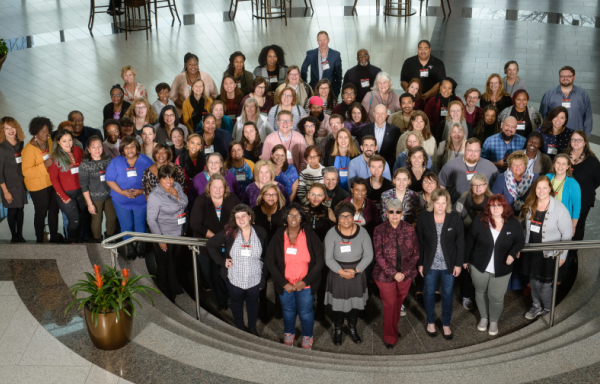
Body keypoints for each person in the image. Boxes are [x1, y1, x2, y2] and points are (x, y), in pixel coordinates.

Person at [465, 194, 525, 335]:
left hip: (502, 268)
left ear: (504, 207)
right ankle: (484, 318)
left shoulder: (513, 223)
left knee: (496, 297)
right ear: (488, 207)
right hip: (478, 266)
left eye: (499, 205)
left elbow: (520, 241)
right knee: (480, 292)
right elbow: (469, 241)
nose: (496, 208)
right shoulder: (480, 221)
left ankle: (493, 321)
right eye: (493, 205)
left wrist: (513, 253)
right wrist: (464, 260)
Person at [266, 203, 324, 349]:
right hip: (286, 285)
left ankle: (307, 337)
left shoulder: (310, 235)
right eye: (290, 215)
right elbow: (270, 261)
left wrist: (305, 281)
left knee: (305, 312)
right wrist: (283, 283)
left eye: (297, 215)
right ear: (286, 218)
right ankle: (289, 334)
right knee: (288, 311)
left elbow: (320, 260)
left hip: (305, 284)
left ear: (301, 218)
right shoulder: (279, 235)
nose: (293, 218)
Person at [209, 204, 268, 335]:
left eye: (243, 216)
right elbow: (211, 244)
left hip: (255, 277)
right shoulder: (230, 232)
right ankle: (240, 328)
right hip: (235, 277)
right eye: (237, 217)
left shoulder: (260, 232)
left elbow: (267, 257)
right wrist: (221, 261)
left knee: (253, 303)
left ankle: (252, 328)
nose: (241, 219)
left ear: (250, 217)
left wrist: (263, 278)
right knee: (236, 302)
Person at [520, 176, 573, 319]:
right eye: (538, 187)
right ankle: (536, 306)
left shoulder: (560, 209)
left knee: (544, 286)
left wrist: (562, 256)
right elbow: (527, 230)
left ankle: (548, 309)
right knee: (533, 282)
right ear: (534, 189)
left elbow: (567, 234)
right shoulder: (531, 205)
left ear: (550, 188)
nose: (541, 191)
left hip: (549, 255)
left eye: (544, 187)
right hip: (532, 253)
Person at [416, 188, 463, 339]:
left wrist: (458, 264)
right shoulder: (424, 217)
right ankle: (430, 322)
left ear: (447, 203)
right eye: (438, 203)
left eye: (444, 203)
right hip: (430, 264)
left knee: (448, 294)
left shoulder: (454, 217)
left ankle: (446, 324)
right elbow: (420, 242)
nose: (441, 206)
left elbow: (460, 242)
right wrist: (421, 263)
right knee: (429, 293)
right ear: (432, 203)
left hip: (449, 265)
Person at [324, 201, 373, 345]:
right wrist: (342, 272)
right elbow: (328, 258)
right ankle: (338, 329)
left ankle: (352, 328)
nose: (346, 219)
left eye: (349, 216)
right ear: (337, 218)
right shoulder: (331, 233)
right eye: (342, 216)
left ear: (353, 217)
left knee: (354, 305)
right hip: (337, 273)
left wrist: (356, 271)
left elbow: (369, 255)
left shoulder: (362, 232)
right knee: (338, 306)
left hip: (356, 273)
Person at [372, 198, 419, 348]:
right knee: (390, 304)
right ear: (386, 213)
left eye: (397, 212)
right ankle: (389, 337)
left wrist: (403, 273)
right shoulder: (379, 230)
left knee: (398, 304)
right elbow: (378, 255)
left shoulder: (410, 229)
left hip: (405, 275)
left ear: (402, 213)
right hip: (384, 275)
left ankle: (393, 328)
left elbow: (416, 253)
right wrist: (394, 273)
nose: (394, 215)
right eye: (391, 212)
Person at [191, 174, 241, 311]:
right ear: (209, 187)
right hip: (207, 247)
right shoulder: (201, 201)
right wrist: (216, 239)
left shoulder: (233, 199)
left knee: (226, 274)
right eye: (215, 187)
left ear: (225, 188)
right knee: (210, 275)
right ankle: (219, 299)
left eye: (221, 187)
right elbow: (195, 224)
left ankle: (225, 299)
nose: (218, 190)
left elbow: (240, 219)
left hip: (229, 245)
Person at [105, 136, 153, 257]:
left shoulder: (146, 161)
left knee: (140, 224)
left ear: (137, 147)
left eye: (132, 146)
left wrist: (141, 191)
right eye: (126, 147)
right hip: (121, 200)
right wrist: (122, 192)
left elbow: (153, 181)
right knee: (126, 224)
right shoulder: (116, 161)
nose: (129, 149)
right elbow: (109, 180)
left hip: (141, 199)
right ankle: (129, 246)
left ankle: (140, 245)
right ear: (122, 149)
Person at [147, 164, 188, 302]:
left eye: (171, 177)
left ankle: (174, 286)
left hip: (178, 233)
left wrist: (177, 197)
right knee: (164, 264)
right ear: (159, 179)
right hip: (164, 234)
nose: (169, 181)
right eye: (165, 178)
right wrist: (161, 241)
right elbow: (151, 220)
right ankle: (165, 292)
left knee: (174, 262)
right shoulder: (155, 196)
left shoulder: (176, 186)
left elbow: (183, 202)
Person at [565, 131, 600, 284]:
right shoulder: (563, 157)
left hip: (583, 200)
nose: (576, 142)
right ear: (570, 141)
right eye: (574, 139)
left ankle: (571, 255)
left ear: (585, 142)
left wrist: (584, 190)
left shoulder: (592, 161)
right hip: (563, 199)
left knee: (577, 226)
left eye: (580, 140)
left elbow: (597, 180)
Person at [22, 117, 60, 243]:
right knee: (41, 212)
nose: (46, 133)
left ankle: (54, 237)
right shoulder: (28, 150)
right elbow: (25, 172)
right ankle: (39, 239)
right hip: (38, 187)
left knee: (54, 210)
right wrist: (43, 166)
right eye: (42, 130)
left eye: (47, 130)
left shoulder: (48, 140)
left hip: (51, 182)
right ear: (35, 132)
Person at [48, 130, 85, 243]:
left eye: (69, 140)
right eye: (64, 141)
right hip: (65, 194)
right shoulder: (55, 156)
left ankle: (79, 240)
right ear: (58, 142)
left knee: (81, 218)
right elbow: (54, 179)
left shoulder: (78, 150)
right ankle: (72, 241)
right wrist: (63, 197)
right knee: (74, 220)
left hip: (80, 192)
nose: (68, 143)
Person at [79, 135, 116, 243]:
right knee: (97, 220)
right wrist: (90, 204)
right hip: (94, 197)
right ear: (89, 149)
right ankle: (97, 240)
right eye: (93, 147)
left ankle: (110, 239)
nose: (97, 149)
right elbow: (84, 185)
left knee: (112, 218)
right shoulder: (85, 164)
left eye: (99, 146)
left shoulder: (108, 157)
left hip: (109, 195)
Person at [438, 138, 499, 202]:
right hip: (456, 207)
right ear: (464, 150)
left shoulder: (491, 167)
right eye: (470, 150)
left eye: (476, 151)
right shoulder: (450, 166)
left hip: (483, 208)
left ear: (480, 151)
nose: (473, 154)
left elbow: (497, 189)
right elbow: (441, 186)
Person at [539, 66, 592, 136]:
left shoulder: (582, 94)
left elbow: (588, 117)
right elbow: (542, 115)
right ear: (559, 77)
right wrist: (544, 133)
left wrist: (586, 136)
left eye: (569, 76)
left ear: (574, 77)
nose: (565, 78)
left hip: (576, 136)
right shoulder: (549, 94)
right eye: (562, 76)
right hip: (554, 136)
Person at [0, 117, 27, 243]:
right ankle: (13, 237)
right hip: (8, 186)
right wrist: (5, 192)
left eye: (12, 127)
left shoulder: (20, 144)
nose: (10, 130)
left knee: (20, 210)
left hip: (21, 185)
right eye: (7, 128)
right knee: (12, 211)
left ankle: (20, 235)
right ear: (2, 130)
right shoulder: (2, 148)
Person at [170, 52, 219, 117]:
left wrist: (206, 104)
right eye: (190, 64)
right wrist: (186, 107)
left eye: (195, 64)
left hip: (205, 114)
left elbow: (215, 94)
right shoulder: (179, 78)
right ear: (186, 65)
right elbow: (173, 97)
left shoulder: (206, 76)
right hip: (184, 114)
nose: (193, 67)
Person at [491, 151, 538, 216]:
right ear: (510, 166)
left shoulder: (535, 178)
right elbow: (494, 199)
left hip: (528, 215)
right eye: (514, 164)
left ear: (525, 165)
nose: (518, 167)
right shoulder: (501, 178)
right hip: (505, 216)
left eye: (521, 164)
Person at [301, 31, 343, 97]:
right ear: (317, 41)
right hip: (314, 90)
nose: (322, 43)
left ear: (328, 40)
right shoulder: (311, 54)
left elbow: (339, 75)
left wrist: (337, 90)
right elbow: (304, 68)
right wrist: (305, 85)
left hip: (330, 91)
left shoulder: (335, 55)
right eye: (320, 40)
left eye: (324, 40)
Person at [360, 104, 401, 171]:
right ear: (373, 114)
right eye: (377, 113)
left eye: (382, 113)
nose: (380, 116)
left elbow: (396, 151)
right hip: (368, 167)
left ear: (386, 114)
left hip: (388, 167)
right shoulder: (364, 129)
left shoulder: (395, 130)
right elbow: (361, 149)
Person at [547, 154, 581, 232]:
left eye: (564, 164)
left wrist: (573, 227)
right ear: (554, 164)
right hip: (545, 218)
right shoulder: (547, 177)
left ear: (568, 166)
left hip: (562, 222)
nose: (560, 166)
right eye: (558, 163)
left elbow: (576, 207)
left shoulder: (573, 184)